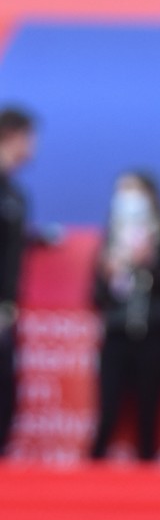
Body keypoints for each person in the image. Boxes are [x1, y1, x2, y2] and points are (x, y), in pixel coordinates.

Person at [89, 172, 160, 463]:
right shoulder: (110, 238)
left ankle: (149, 475)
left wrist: (151, 264)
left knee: (149, 413)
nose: (127, 198)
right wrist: (109, 275)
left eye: (134, 191)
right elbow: (96, 297)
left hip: (152, 334)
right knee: (107, 410)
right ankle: (91, 473)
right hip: (116, 334)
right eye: (122, 191)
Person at [0, 105, 38, 458]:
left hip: (5, 309)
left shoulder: (15, 194)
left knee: (6, 393)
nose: (33, 148)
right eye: (31, 138)